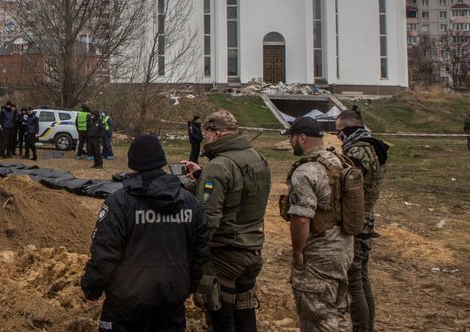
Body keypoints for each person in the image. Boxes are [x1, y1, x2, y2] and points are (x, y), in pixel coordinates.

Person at [80, 133, 210, 331]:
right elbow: (201, 250)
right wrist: (189, 286)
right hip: (171, 301)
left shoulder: (119, 203)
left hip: (126, 305)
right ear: (161, 160)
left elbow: (105, 253)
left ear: (133, 163)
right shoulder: (189, 201)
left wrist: (91, 289)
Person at [181, 110, 271, 332]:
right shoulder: (257, 157)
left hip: (224, 254)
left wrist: (195, 258)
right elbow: (241, 194)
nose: (206, 138)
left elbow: (207, 219)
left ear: (217, 133)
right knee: (245, 310)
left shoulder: (219, 166)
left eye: (207, 133)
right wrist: (204, 177)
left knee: (221, 317)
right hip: (251, 248)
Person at [280, 117, 354, 331]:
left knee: (317, 318)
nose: (289, 142)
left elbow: (301, 217)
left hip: (318, 253)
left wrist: (297, 251)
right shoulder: (338, 161)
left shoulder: (306, 172)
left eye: (292, 138)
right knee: (338, 313)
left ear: (302, 138)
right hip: (344, 247)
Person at [336, 106, 389, 332]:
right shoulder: (375, 148)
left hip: (355, 221)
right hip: (367, 218)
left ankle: (361, 328)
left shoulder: (357, 153)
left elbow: (346, 186)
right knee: (363, 279)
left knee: (354, 282)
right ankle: (367, 327)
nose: (338, 136)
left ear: (348, 129)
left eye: (339, 131)